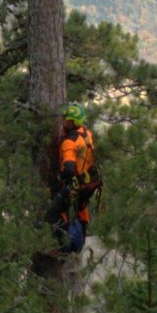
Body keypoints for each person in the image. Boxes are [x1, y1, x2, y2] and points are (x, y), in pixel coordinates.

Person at [52, 103, 100, 254]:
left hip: (76, 184)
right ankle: (79, 243)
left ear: (73, 122)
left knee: (58, 211)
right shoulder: (87, 133)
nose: (64, 121)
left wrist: (58, 179)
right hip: (89, 182)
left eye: (67, 119)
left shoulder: (69, 143)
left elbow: (69, 168)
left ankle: (63, 247)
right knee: (81, 209)